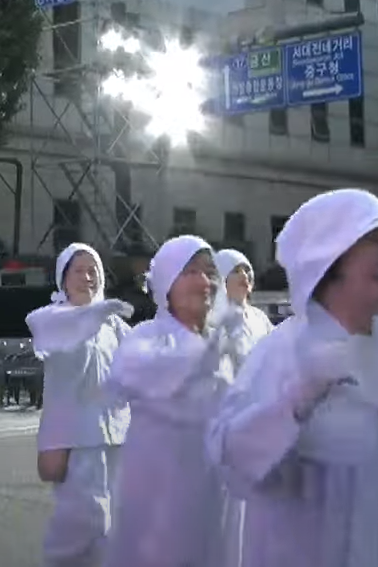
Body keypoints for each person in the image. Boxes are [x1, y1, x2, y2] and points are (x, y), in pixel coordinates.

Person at [207, 188, 378, 566]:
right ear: (329, 260)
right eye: (369, 241)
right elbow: (229, 457)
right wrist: (295, 401)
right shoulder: (283, 351)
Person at [102, 235, 241, 567]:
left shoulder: (221, 343)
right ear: (166, 281)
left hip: (215, 489)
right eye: (190, 271)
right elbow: (125, 377)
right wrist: (202, 358)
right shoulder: (148, 336)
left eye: (209, 272)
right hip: (161, 494)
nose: (204, 281)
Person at [25, 243, 132, 567]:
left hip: (118, 436)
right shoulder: (55, 319)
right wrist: (93, 314)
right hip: (78, 442)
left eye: (93, 270)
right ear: (63, 279)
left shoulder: (114, 325)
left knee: (116, 527)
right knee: (85, 524)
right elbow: (45, 328)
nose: (88, 277)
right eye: (79, 270)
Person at [211, 248, 273, 366]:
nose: (244, 275)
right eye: (236, 271)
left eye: (247, 270)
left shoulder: (260, 317)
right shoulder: (213, 320)